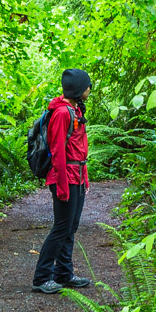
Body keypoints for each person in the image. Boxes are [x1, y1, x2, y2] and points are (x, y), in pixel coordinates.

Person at [33, 68, 93, 294]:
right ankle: (41, 278)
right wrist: (62, 185)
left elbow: (79, 150)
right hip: (64, 177)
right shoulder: (61, 114)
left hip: (76, 175)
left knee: (71, 227)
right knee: (61, 228)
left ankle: (64, 273)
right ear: (78, 89)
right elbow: (58, 152)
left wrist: (84, 180)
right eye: (87, 86)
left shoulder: (74, 110)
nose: (89, 89)